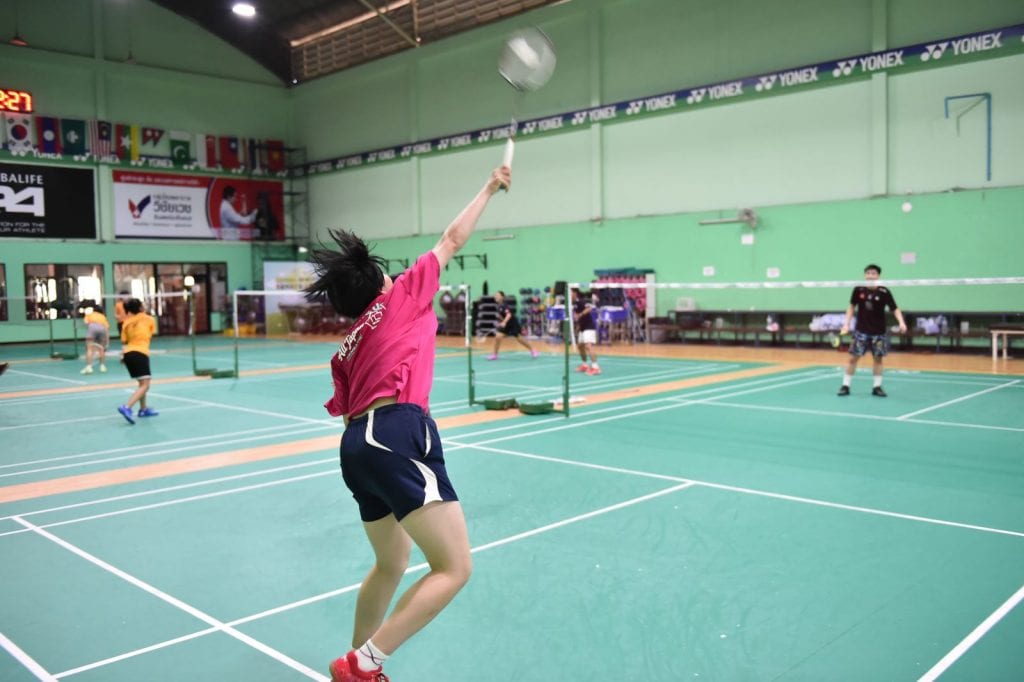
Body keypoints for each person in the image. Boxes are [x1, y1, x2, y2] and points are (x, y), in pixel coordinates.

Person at [305, 165, 510, 682]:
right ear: (381, 283)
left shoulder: (348, 344)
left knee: (392, 562)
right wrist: (489, 187)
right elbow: (452, 238)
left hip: (357, 446)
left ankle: (356, 658)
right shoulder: (402, 296)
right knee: (455, 567)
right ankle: (363, 664)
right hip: (394, 433)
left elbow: (348, 412)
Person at [837, 264, 907, 397]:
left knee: (878, 359)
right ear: (865, 275)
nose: (870, 276)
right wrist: (846, 324)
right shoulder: (858, 289)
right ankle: (845, 386)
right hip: (861, 331)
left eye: (873, 273)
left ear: (878, 276)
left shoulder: (884, 291)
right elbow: (851, 307)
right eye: (868, 273)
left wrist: (901, 322)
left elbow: (895, 308)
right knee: (853, 359)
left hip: (878, 332)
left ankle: (877, 387)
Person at [117, 298, 159, 423]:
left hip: (128, 354)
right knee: (145, 385)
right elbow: (151, 334)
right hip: (140, 353)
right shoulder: (149, 319)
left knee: (142, 383)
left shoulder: (126, 322)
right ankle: (127, 407)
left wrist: (123, 356)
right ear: (140, 308)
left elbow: (124, 341)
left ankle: (143, 409)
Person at [487, 290, 538, 360]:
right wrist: (500, 322)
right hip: (506, 324)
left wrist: (504, 322)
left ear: (502, 297)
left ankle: (533, 350)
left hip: (513, 323)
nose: (496, 296)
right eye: (495, 295)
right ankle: (495, 355)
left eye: (498, 295)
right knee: (498, 337)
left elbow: (509, 315)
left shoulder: (504, 305)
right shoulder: (498, 306)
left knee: (519, 339)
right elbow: (503, 317)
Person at [572, 288, 600, 375]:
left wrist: (580, 315)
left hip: (589, 326)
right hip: (582, 327)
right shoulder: (574, 304)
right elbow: (577, 317)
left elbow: (589, 308)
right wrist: (578, 327)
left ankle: (595, 367)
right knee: (580, 346)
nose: (569, 295)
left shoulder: (581, 301)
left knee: (588, 346)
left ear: (575, 293)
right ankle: (585, 365)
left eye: (570, 293)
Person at [81, 304, 110, 374]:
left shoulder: (89, 315)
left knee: (89, 348)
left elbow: (86, 323)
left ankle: (89, 367)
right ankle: (102, 366)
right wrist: (107, 341)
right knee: (101, 348)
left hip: (92, 327)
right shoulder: (103, 317)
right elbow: (106, 329)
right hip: (102, 329)